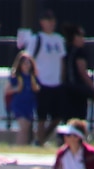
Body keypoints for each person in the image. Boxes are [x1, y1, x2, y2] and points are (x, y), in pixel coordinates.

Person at [20, 10, 66, 146]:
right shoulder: (37, 39)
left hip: (56, 82)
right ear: (42, 22)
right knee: (41, 116)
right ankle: (39, 141)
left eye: (52, 21)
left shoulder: (59, 39)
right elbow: (28, 58)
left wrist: (62, 78)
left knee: (58, 115)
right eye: (48, 20)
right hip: (42, 81)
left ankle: (42, 138)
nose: (51, 24)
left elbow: (62, 59)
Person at [62, 24, 94, 122]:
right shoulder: (80, 52)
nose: (83, 39)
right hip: (78, 91)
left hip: (66, 89)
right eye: (81, 36)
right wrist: (93, 88)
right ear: (75, 37)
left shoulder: (66, 50)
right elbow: (82, 71)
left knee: (67, 119)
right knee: (79, 119)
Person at [5, 51, 39, 145]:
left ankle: (24, 146)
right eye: (24, 63)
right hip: (19, 105)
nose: (26, 65)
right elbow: (7, 90)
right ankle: (19, 145)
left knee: (27, 128)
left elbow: (37, 89)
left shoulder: (33, 77)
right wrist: (16, 89)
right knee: (23, 127)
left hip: (29, 105)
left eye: (28, 63)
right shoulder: (16, 77)